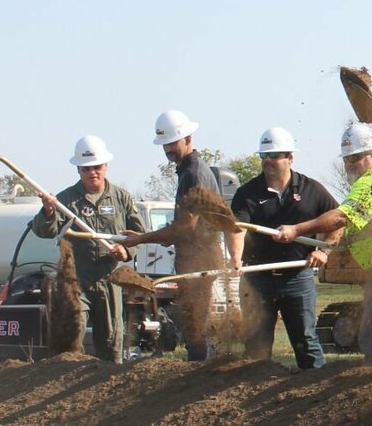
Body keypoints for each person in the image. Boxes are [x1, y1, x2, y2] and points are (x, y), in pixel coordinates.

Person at [275, 124, 372, 367]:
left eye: (356, 158)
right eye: (347, 159)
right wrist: (325, 248)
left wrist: (296, 230)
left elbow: (341, 217)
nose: (350, 163)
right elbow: (346, 223)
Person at [227, 127, 340, 370]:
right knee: (256, 346)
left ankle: (314, 392)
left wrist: (324, 251)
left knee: (306, 342)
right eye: (264, 156)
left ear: (290, 157)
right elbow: (238, 228)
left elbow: (339, 219)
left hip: (297, 278)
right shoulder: (247, 193)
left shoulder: (312, 190)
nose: (268, 161)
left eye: (275, 155)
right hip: (258, 279)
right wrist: (235, 258)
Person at [118, 110, 226, 361]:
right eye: (164, 144)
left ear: (188, 138)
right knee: (192, 321)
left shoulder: (193, 174)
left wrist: (140, 239)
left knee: (194, 322)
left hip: (199, 260)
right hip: (195, 258)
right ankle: (199, 368)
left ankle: (200, 374)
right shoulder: (188, 171)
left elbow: (185, 227)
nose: (168, 149)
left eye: (172, 143)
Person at [30, 135, 144, 362]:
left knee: (111, 341)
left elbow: (139, 235)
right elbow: (45, 231)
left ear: (106, 166)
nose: (93, 172)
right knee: (71, 332)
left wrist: (126, 251)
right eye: (86, 168)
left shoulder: (121, 198)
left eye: (97, 167)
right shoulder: (66, 199)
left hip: (110, 279)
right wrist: (49, 212)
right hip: (77, 280)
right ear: (78, 170)